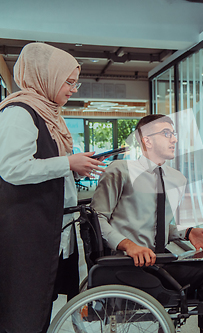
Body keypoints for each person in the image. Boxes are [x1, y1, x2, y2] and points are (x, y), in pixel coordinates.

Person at [90, 114, 203, 333]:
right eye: (166, 133)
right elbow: (96, 219)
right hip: (129, 262)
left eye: (174, 134)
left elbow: (157, 226)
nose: (174, 139)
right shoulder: (120, 171)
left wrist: (187, 232)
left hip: (159, 259)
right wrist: (128, 245)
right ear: (146, 140)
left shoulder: (176, 178)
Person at [0, 43, 106, 333]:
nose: (74, 89)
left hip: (47, 229)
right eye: (68, 81)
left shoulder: (49, 114)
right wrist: (68, 163)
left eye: (76, 82)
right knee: (22, 313)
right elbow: (12, 168)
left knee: (38, 308)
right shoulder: (20, 112)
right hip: (25, 233)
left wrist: (71, 165)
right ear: (44, 75)